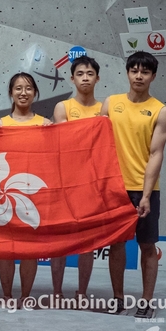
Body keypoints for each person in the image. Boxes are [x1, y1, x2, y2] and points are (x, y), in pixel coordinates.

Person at [100, 51, 166, 318]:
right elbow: (96, 142)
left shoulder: (161, 111)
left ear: (153, 76)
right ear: (128, 73)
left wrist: (145, 195)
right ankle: (117, 298)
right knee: (116, 245)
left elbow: (156, 154)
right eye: (134, 70)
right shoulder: (111, 103)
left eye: (145, 72)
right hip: (113, 189)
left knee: (147, 245)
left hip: (144, 190)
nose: (139, 76)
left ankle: (146, 301)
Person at [0, 72, 51, 306]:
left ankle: (25, 297)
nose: (23, 93)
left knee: (29, 250)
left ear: (35, 93)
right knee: (5, 250)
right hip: (6, 194)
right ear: (11, 93)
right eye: (18, 88)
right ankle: (7, 296)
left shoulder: (46, 125)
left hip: (33, 195)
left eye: (28, 88)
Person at [50, 55, 102, 308]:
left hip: (92, 184)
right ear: (72, 79)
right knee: (59, 242)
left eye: (90, 74)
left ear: (97, 78)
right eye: (80, 74)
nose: (85, 78)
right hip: (64, 183)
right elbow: (66, 141)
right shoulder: (63, 107)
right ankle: (57, 292)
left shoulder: (104, 109)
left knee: (87, 243)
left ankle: (81, 292)